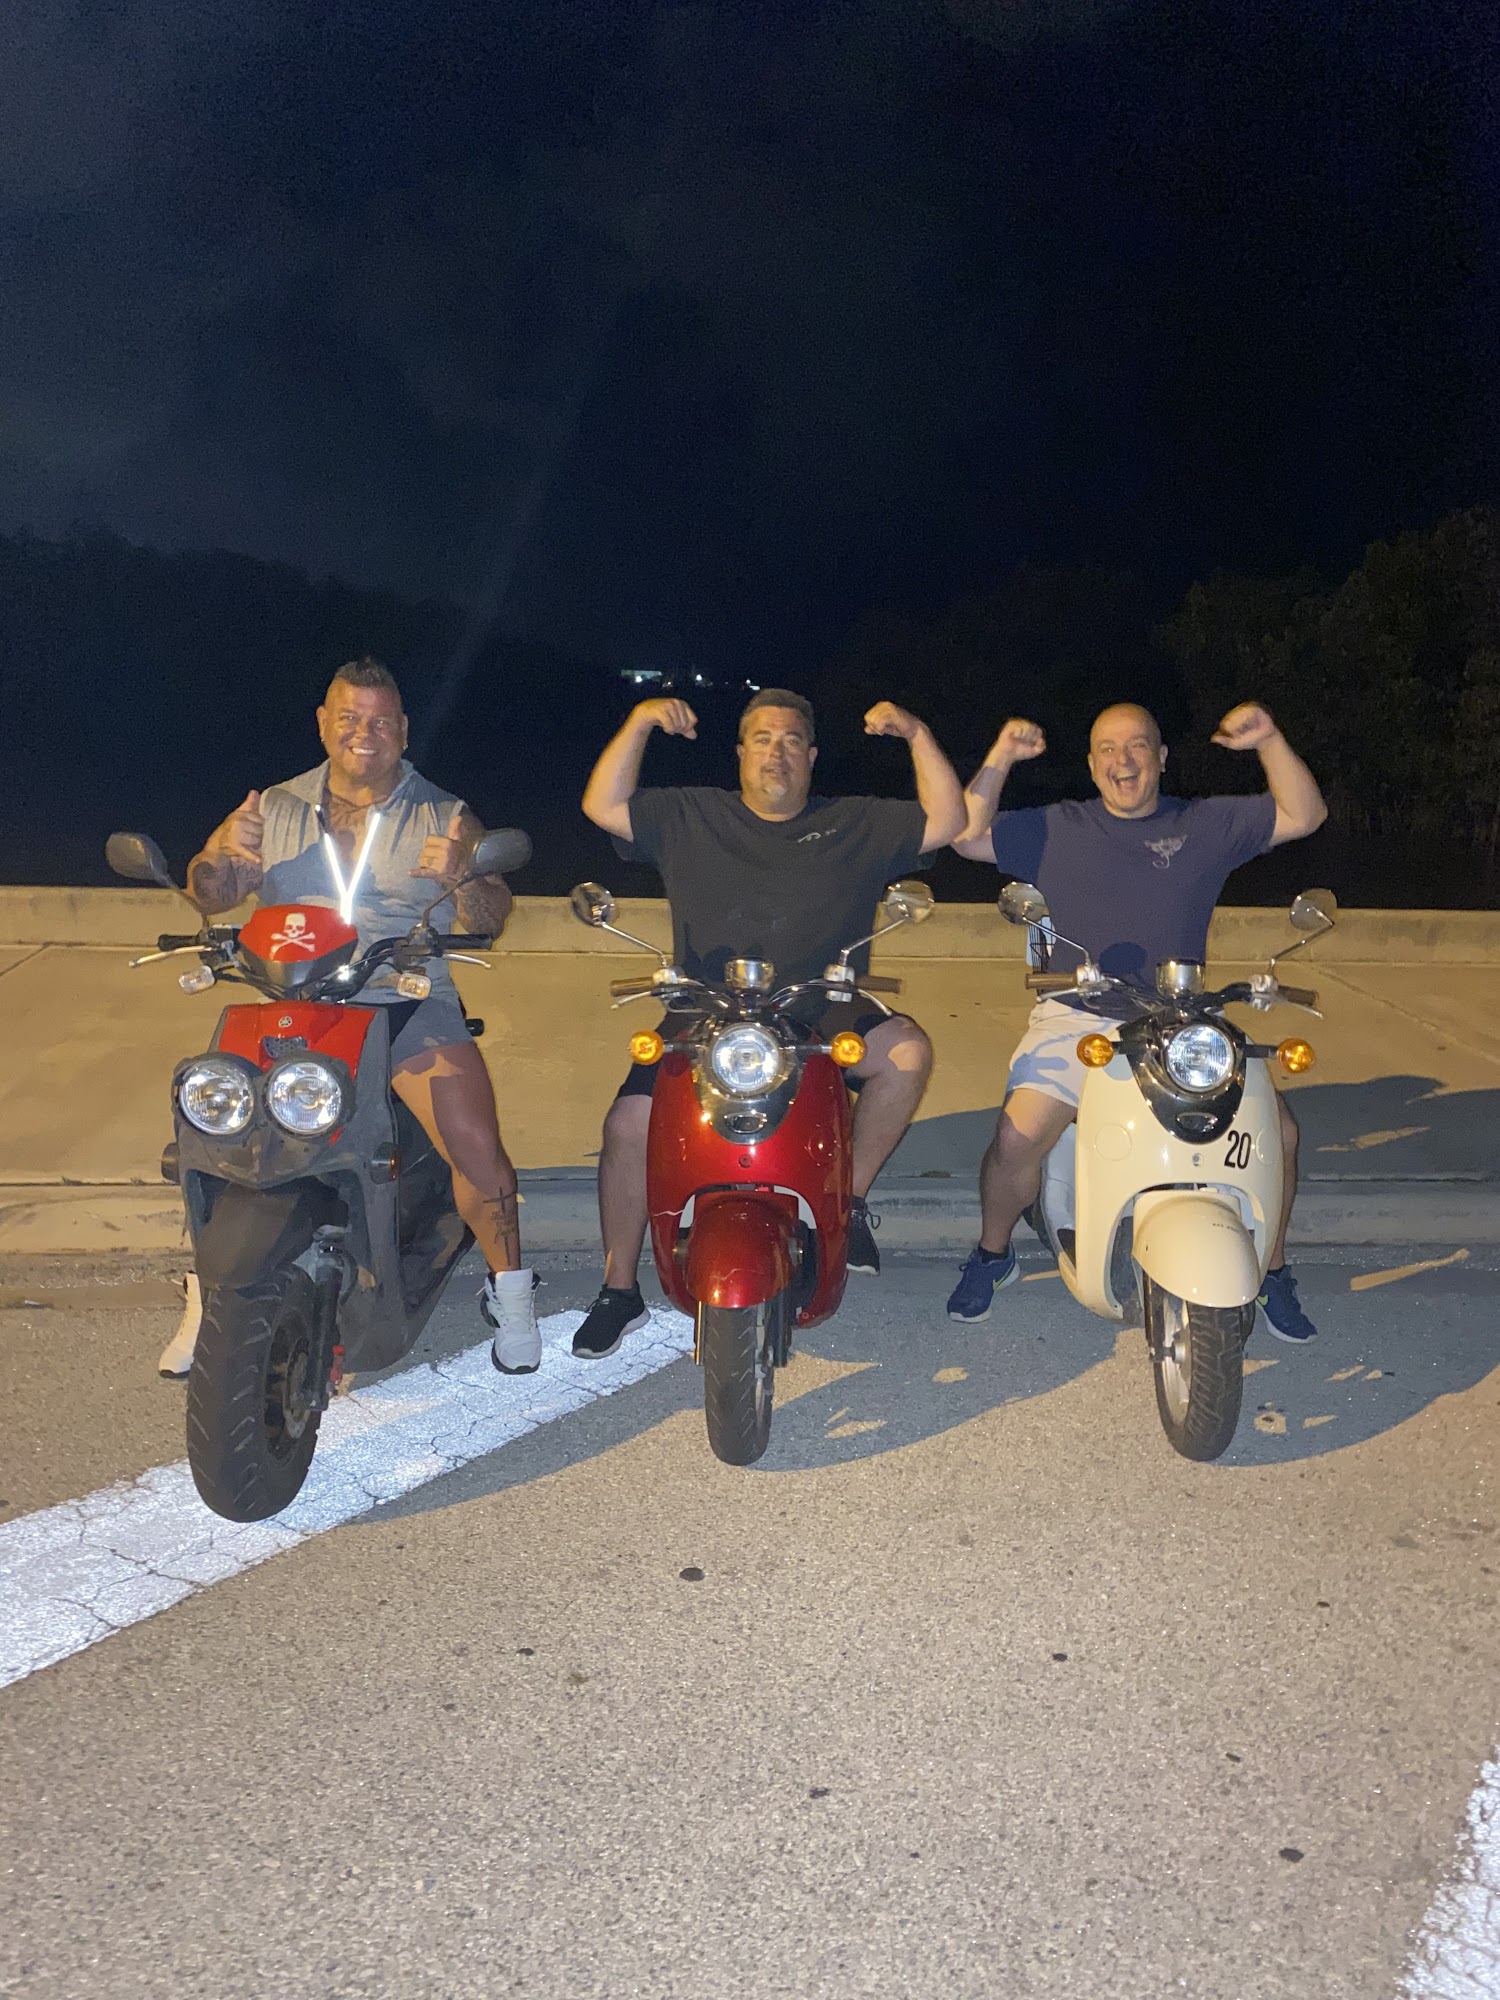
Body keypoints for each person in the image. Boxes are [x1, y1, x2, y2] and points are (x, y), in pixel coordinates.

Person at [161, 656, 540, 1377]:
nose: (364, 733)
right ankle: (210, 1297)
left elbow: (491, 917)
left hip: (402, 998)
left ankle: (512, 1291)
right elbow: (208, 893)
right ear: (323, 724)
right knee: (214, 1136)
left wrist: (464, 874)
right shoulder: (273, 806)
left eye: (381, 721)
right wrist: (224, 864)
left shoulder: (442, 812)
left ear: (403, 730)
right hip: (291, 1000)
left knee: (476, 1148)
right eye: (349, 718)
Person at [570, 686, 966, 1359]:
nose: (776, 753)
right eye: (762, 739)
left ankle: (848, 1203)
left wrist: (916, 732)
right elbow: (602, 805)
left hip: (823, 1003)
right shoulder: (692, 814)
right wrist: (639, 721)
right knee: (627, 1125)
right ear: (740, 753)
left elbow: (948, 821)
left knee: (907, 1053)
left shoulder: (853, 822)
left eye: (790, 741)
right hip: (703, 1007)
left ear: (810, 756)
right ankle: (618, 1287)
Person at [946, 700, 1328, 1339]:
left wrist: (1268, 739)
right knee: (1018, 1136)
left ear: (1161, 757)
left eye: (1137, 746)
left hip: (1182, 1014)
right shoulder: (1058, 827)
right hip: (1078, 1012)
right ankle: (992, 1252)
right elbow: (965, 836)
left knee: (1276, 1133)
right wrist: (1003, 755)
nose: (1122, 761)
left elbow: (1303, 815)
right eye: (1108, 749)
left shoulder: (1202, 824)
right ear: (1092, 763)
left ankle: (1272, 1268)